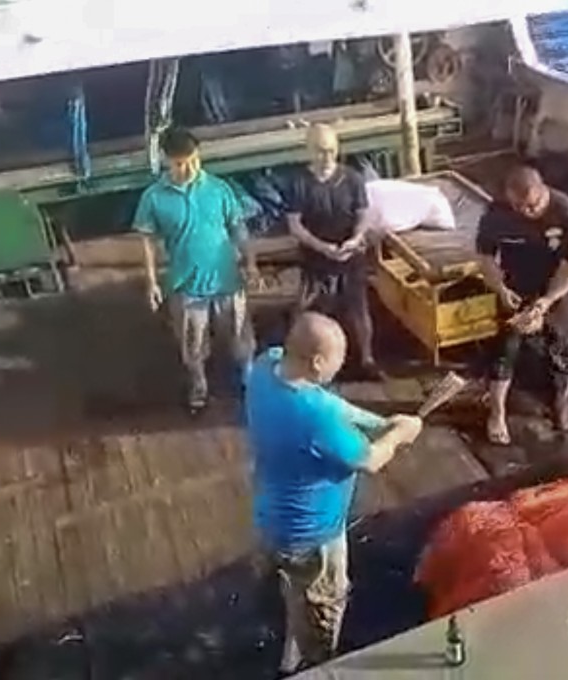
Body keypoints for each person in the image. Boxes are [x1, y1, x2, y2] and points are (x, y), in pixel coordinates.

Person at [245, 312, 423, 675]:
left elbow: (330, 403)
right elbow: (371, 459)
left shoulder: (266, 366)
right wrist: (402, 433)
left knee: (293, 587)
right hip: (315, 536)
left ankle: (290, 653)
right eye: (337, 361)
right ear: (317, 362)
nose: (339, 369)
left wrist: (378, 422)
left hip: (270, 518)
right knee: (323, 608)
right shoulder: (315, 417)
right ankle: (315, 664)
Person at [133, 126, 259, 413]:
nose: (188, 167)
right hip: (186, 284)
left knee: (240, 334)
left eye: (193, 160)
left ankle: (249, 379)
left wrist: (251, 263)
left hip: (227, 279)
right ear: (166, 160)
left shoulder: (218, 188)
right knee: (193, 343)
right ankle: (199, 385)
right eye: (180, 163)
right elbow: (147, 242)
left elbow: (238, 227)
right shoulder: (153, 198)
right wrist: (152, 282)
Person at [477, 166, 568, 445]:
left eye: (533, 205)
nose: (526, 212)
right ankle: (497, 413)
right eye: (519, 206)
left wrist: (546, 302)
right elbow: (486, 257)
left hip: (556, 287)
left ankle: (561, 402)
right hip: (514, 285)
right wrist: (500, 288)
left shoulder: (566, 212)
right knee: (504, 349)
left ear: (544, 192)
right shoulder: (496, 214)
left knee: (561, 346)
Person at [283, 123, 378, 379]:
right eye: (321, 151)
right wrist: (322, 247)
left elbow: (364, 215)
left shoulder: (353, 179)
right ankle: (302, 360)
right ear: (309, 151)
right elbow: (295, 225)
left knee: (359, 310)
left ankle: (367, 359)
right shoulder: (299, 183)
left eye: (331, 151)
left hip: (350, 257)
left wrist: (356, 238)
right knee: (309, 312)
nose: (327, 157)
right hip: (315, 260)